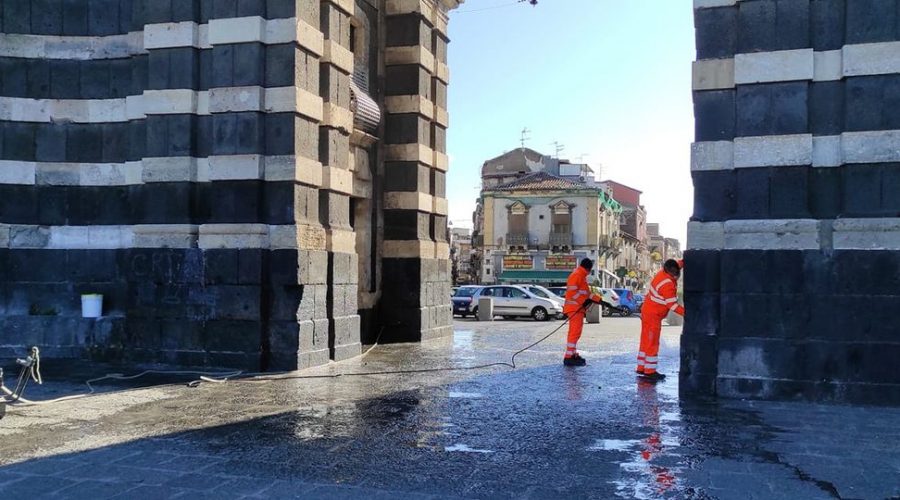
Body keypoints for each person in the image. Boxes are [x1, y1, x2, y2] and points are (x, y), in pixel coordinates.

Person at [636, 259, 684, 381]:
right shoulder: (667, 284)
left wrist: (686, 260)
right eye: (675, 275)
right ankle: (650, 371)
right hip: (654, 315)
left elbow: (677, 264)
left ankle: (641, 367)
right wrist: (688, 313)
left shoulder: (664, 271)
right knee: (652, 342)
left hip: (647, 310)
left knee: (645, 340)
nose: (676, 276)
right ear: (671, 273)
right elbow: (672, 306)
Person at [562, 258, 602, 367]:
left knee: (576, 332)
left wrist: (599, 299)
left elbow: (587, 294)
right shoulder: (577, 275)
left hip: (577, 308)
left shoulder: (581, 276)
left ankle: (572, 353)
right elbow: (572, 293)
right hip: (574, 308)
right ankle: (569, 357)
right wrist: (583, 301)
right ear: (588, 268)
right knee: (574, 332)